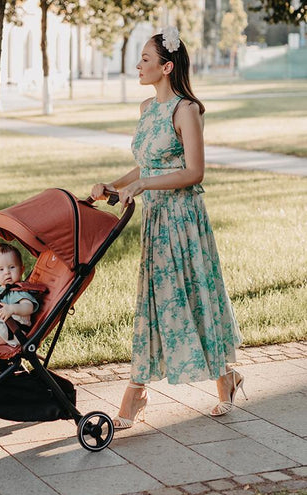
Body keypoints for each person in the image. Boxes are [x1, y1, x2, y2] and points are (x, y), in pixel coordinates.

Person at [91, 27, 245, 428]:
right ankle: (140, 391)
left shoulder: (185, 110)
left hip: (183, 221)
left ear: (167, 67)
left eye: (146, 59)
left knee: (192, 296)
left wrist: (143, 185)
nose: (138, 65)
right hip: (156, 221)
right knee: (155, 304)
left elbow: (193, 172)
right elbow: (149, 163)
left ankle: (221, 380)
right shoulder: (147, 108)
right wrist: (118, 185)